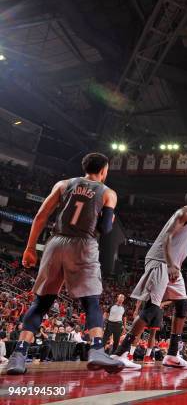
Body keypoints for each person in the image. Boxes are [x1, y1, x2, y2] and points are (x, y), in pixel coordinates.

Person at [5, 153, 124, 375]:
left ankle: (18, 355)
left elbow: (41, 215)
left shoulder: (64, 184)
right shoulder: (108, 193)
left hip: (56, 242)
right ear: (104, 170)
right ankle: (97, 349)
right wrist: (110, 220)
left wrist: (30, 247)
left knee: (42, 302)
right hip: (83, 245)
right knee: (91, 302)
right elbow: (106, 229)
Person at [111, 190, 187, 370]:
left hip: (172, 265)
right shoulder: (186, 211)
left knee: (183, 305)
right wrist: (171, 264)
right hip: (162, 261)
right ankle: (120, 354)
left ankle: (172, 355)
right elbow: (167, 237)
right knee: (152, 308)